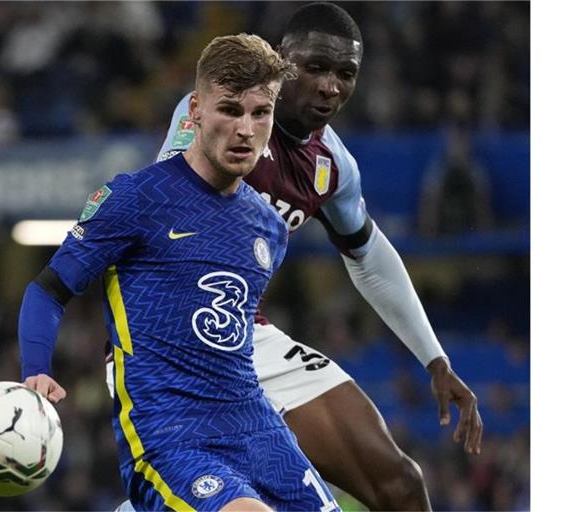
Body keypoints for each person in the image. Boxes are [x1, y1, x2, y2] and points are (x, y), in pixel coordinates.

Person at [144, 3, 484, 510]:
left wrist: (435, 359)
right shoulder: (220, 111)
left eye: (345, 74)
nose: (331, 86)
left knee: (400, 483)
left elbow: (368, 255)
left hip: (245, 333)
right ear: (281, 62)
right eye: (316, 67)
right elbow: (169, 201)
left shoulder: (333, 166)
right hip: (170, 339)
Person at [19, 33, 340, 511]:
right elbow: (47, 292)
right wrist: (36, 372)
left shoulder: (270, 227)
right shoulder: (137, 199)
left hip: (255, 426)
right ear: (195, 110)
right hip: (171, 436)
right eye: (230, 110)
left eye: (260, 113)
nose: (246, 130)